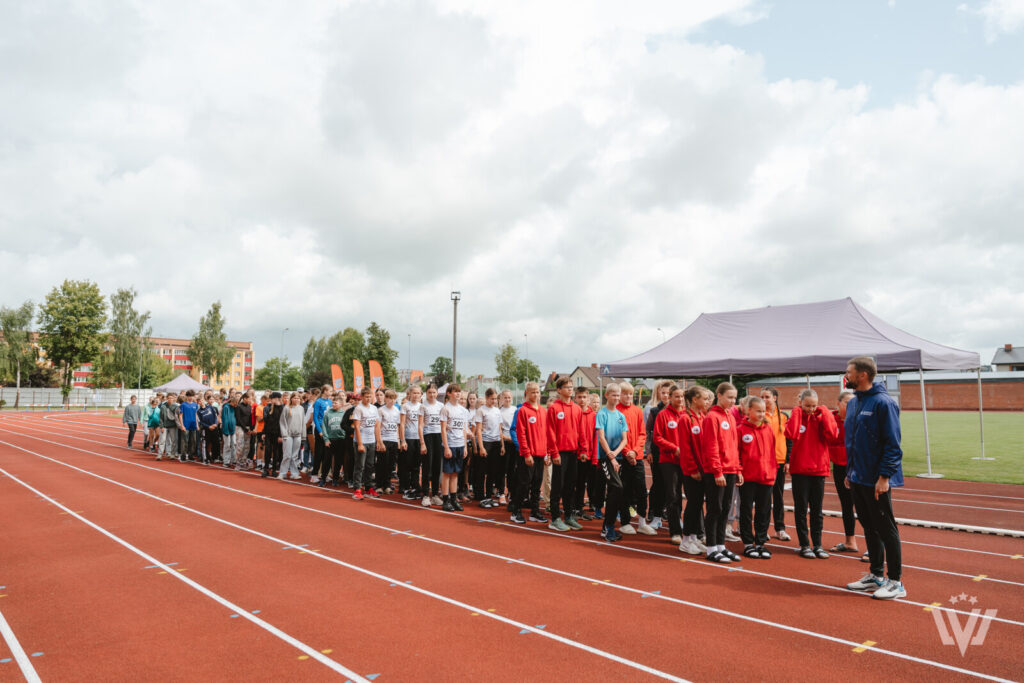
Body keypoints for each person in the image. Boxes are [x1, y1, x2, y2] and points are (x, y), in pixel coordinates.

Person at [843, 356, 907, 600]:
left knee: (886, 528)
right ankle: (876, 575)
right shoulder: (854, 403)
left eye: (849, 372)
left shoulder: (883, 403)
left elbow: (893, 444)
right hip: (857, 477)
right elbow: (853, 442)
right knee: (869, 526)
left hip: (876, 479)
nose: (845, 375)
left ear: (862, 375)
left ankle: (896, 582)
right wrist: (850, 472)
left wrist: (884, 477)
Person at [785, 388, 839, 559]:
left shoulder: (821, 418)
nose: (811, 409)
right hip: (800, 470)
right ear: (800, 403)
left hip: (819, 470)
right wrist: (796, 412)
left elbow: (833, 435)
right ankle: (804, 545)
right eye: (807, 405)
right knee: (801, 509)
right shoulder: (796, 416)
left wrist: (826, 413)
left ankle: (817, 544)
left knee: (817, 510)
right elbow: (791, 434)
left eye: (814, 406)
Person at [699, 382, 742, 564]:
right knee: (715, 509)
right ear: (719, 395)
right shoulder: (712, 417)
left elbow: (734, 446)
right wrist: (717, 471)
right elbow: (711, 446)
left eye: (735, 398)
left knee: (725, 509)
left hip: (731, 469)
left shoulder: (730, 416)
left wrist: (738, 468)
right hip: (717, 471)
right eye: (729, 397)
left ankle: (720, 545)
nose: (733, 401)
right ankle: (711, 548)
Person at [737, 396, 776, 559]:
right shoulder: (740, 430)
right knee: (746, 510)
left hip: (766, 477)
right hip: (748, 478)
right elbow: (737, 453)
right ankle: (748, 543)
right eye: (758, 411)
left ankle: (760, 543)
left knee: (764, 511)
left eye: (763, 411)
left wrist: (772, 471)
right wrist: (739, 471)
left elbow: (772, 452)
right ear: (749, 410)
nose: (761, 414)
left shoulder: (768, 429)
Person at [546, 377, 584, 531]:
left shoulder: (577, 409)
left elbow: (581, 431)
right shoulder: (554, 408)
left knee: (570, 486)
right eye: (567, 387)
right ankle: (555, 518)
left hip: (573, 452)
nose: (570, 389)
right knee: (557, 486)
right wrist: (554, 453)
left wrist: (583, 449)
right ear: (559, 390)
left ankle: (568, 516)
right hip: (560, 453)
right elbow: (550, 432)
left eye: (571, 387)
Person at [616, 383, 655, 535]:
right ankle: (625, 522)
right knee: (625, 491)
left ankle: (642, 522)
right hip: (622, 457)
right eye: (625, 394)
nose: (628, 397)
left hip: (637, 456)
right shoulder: (616, 411)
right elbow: (618, 435)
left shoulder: (637, 410)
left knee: (641, 491)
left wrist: (635, 451)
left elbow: (642, 434)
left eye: (630, 394)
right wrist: (627, 452)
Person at [677, 386, 709, 555]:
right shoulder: (685, 419)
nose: (707, 401)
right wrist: (692, 469)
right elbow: (685, 447)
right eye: (705, 398)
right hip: (692, 471)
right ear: (695, 400)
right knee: (693, 504)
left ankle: (694, 537)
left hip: (703, 469)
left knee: (697, 506)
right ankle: (685, 540)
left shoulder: (702, 417)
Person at [596, 383, 630, 541]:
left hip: (618, 458)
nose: (616, 398)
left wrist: (616, 454)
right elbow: (601, 437)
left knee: (615, 492)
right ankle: (608, 526)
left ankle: (607, 526)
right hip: (606, 458)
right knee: (617, 487)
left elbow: (624, 439)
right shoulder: (601, 414)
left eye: (618, 395)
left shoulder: (621, 416)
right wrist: (611, 456)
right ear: (606, 396)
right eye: (613, 395)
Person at [511, 382, 547, 524]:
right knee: (524, 484)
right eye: (533, 392)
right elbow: (521, 434)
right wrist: (526, 453)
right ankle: (516, 511)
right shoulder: (523, 411)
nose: (536, 394)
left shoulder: (543, 411)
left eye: (537, 392)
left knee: (537, 486)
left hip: (540, 454)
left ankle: (535, 512)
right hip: (528, 455)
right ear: (526, 393)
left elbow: (546, 434)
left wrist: (546, 453)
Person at [829, 390, 860, 554]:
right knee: (846, 505)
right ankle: (850, 542)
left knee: (864, 507)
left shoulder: (859, 420)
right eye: (847, 402)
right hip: (840, 468)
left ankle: (874, 547)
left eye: (853, 402)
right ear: (838, 403)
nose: (851, 406)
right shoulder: (830, 419)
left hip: (858, 467)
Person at [760, 387, 791, 541]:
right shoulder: (760, 415)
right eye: (762, 397)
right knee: (764, 498)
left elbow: (788, 439)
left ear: (775, 398)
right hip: (764, 462)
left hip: (779, 461)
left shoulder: (784, 416)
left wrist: (788, 460)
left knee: (778, 497)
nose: (764, 400)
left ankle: (780, 529)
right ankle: (763, 529)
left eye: (767, 397)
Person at [644, 380, 674, 531]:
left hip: (674, 454)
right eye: (663, 393)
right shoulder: (654, 411)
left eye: (669, 393)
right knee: (657, 484)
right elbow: (648, 432)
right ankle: (654, 512)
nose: (666, 396)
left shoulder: (680, 411)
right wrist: (648, 451)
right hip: (657, 452)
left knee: (672, 486)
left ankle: (669, 513)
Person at [440, 384, 471, 511]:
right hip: (450, 444)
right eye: (455, 392)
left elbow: (464, 429)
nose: (458, 394)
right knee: (447, 473)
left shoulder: (463, 410)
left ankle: (453, 499)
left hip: (460, 445)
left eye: (459, 392)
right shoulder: (445, 409)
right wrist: (446, 447)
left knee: (455, 473)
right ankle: (445, 499)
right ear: (449, 394)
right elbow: (443, 429)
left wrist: (465, 447)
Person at [475, 388, 504, 508]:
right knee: (482, 471)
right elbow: (478, 430)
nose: (494, 401)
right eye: (492, 399)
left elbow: (500, 429)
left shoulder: (497, 410)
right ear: (487, 398)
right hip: (486, 442)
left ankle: (488, 496)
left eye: (496, 399)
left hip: (496, 442)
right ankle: (481, 497)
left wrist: (502, 445)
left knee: (493, 471)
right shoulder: (481, 410)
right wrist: (481, 447)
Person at [573, 387, 597, 521]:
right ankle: (574, 508)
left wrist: (594, 456)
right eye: (579, 397)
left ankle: (581, 508)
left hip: (589, 455)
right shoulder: (573, 413)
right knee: (575, 483)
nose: (582, 400)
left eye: (584, 397)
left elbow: (595, 437)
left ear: (588, 399)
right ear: (575, 398)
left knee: (587, 482)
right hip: (575, 455)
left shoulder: (593, 415)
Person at [351, 388, 380, 499]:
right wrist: (360, 444)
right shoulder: (358, 409)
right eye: (366, 397)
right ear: (362, 397)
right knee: (360, 466)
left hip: (371, 441)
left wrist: (378, 441)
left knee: (370, 466)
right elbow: (357, 427)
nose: (368, 399)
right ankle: (357, 489)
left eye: (370, 396)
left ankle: (368, 488)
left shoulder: (374, 408)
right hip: (362, 441)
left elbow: (376, 425)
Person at [399, 386, 426, 499]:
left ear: (421, 395)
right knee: (407, 464)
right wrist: (402, 440)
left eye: (418, 393)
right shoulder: (405, 406)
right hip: (409, 438)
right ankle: (405, 487)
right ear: (409, 394)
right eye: (414, 393)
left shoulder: (422, 407)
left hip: (419, 438)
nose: (416, 395)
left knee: (416, 465)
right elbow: (402, 424)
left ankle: (415, 487)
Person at [421, 385, 444, 507]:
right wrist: (422, 443)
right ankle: (425, 495)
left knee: (436, 467)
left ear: (437, 393)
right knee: (427, 467)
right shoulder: (423, 406)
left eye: (434, 392)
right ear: (426, 393)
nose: (432, 395)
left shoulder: (441, 406)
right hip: (427, 436)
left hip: (438, 437)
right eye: (429, 392)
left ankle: (434, 494)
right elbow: (420, 425)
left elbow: (444, 423)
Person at [376, 389, 401, 493]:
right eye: (390, 398)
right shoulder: (381, 410)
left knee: (391, 465)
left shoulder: (396, 410)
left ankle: (387, 485)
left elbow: (397, 426)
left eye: (394, 399)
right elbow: (377, 426)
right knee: (382, 463)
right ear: (386, 398)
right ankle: (379, 485)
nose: (392, 400)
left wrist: (398, 440)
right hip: (384, 439)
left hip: (393, 440)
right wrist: (379, 441)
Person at [321, 395, 347, 489]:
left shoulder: (344, 413)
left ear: (341, 404)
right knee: (327, 460)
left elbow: (346, 426)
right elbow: (324, 426)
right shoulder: (328, 413)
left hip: (341, 439)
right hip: (330, 439)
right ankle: (323, 478)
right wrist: (326, 439)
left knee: (338, 460)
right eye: (333, 402)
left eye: (336, 403)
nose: (333, 404)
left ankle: (335, 478)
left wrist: (344, 436)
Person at [498, 389, 517, 507]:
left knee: (512, 470)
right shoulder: (499, 411)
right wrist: (505, 439)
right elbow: (499, 429)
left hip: (514, 443)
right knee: (502, 469)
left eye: (509, 397)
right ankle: (501, 493)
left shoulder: (515, 410)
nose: (507, 399)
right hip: (504, 443)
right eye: (505, 397)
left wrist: (514, 439)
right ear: (501, 399)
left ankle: (511, 492)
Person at [310, 385, 332, 485]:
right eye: (330, 391)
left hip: (328, 430)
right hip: (320, 429)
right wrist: (319, 431)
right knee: (319, 453)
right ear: (325, 391)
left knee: (326, 454)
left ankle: (324, 474)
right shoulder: (318, 402)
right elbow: (315, 417)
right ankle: (314, 475)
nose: (331, 393)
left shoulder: (330, 402)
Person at [262, 392, 284, 477]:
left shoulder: (282, 408)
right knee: (267, 451)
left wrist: (281, 435)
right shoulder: (269, 408)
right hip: (268, 433)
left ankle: (274, 469)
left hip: (277, 434)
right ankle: (266, 469)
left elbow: (283, 424)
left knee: (276, 452)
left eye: (272, 398)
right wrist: (264, 432)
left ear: (277, 399)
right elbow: (267, 422)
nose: (270, 400)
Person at [197, 396, 220, 464]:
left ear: (204, 400)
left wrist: (215, 424)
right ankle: (206, 458)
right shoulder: (199, 411)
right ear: (198, 403)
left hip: (214, 427)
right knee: (206, 444)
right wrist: (208, 426)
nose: (201, 402)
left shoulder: (210, 407)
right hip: (206, 429)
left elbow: (215, 416)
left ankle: (215, 457)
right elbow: (200, 422)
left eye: (202, 400)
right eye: (199, 401)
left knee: (216, 443)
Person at [234, 393, 254, 470]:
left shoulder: (249, 407)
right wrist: (245, 429)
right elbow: (238, 419)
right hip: (240, 427)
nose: (250, 400)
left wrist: (250, 429)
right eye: (249, 398)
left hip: (247, 428)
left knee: (247, 446)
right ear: (245, 398)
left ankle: (243, 461)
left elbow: (250, 418)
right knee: (240, 446)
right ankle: (238, 462)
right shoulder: (238, 406)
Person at [159, 393, 180, 460]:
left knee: (173, 441)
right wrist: (161, 426)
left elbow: (178, 416)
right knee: (162, 440)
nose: (170, 399)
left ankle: (172, 454)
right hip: (165, 426)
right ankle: (160, 454)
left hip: (173, 426)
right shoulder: (163, 406)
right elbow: (160, 417)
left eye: (171, 398)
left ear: (173, 399)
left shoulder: (176, 406)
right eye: (169, 398)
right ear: (167, 398)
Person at [221, 394, 238, 466]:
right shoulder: (226, 407)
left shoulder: (234, 408)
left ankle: (233, 460)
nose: (236, 405)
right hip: (227, 430)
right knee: (227, 445)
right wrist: (226, 430)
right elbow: (225, 419)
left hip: (233, 429)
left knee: (234, 444)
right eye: (235, 403)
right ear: (232, 402)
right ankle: (226, 461)